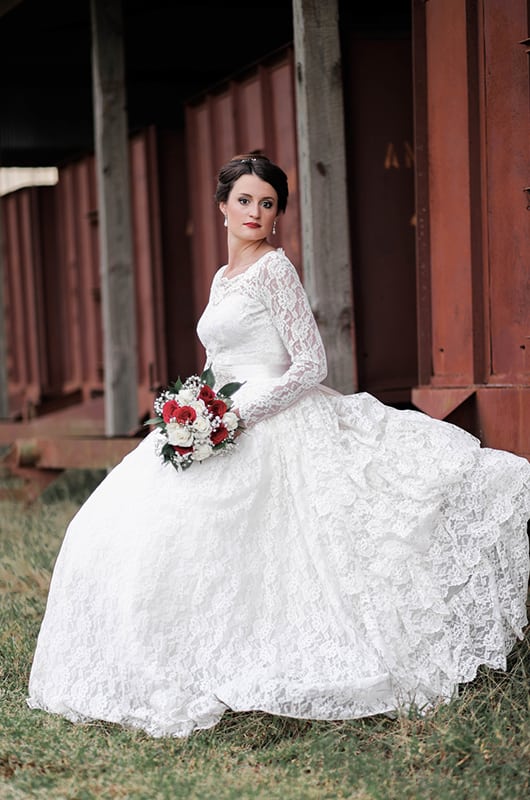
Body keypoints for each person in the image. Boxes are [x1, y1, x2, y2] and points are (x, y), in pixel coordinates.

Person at [27, 153, 530, 739]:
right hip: (218, 411)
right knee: (115, 525)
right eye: (244, 200)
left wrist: (236, 418)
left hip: (271, 415)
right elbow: (219, 361)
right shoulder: (223, 278)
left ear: (278, 214)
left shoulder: (275, 270)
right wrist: (192, 409)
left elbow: (310, 363)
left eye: (268, 204)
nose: (255, 213)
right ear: (222, 207)